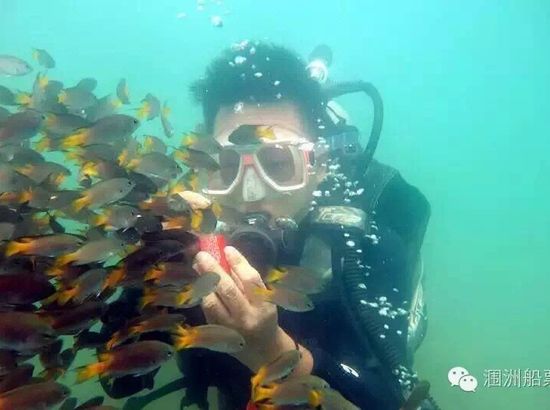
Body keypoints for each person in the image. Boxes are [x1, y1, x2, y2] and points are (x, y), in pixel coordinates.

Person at [115, 41, 436, 410]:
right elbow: (121, 383)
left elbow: (395, 399)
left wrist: (275, 353)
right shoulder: (189, 244)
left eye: (279, 164)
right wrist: (144, 271)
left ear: (318, 168)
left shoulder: (363, 250)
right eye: (228, 166)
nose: (251, 194)